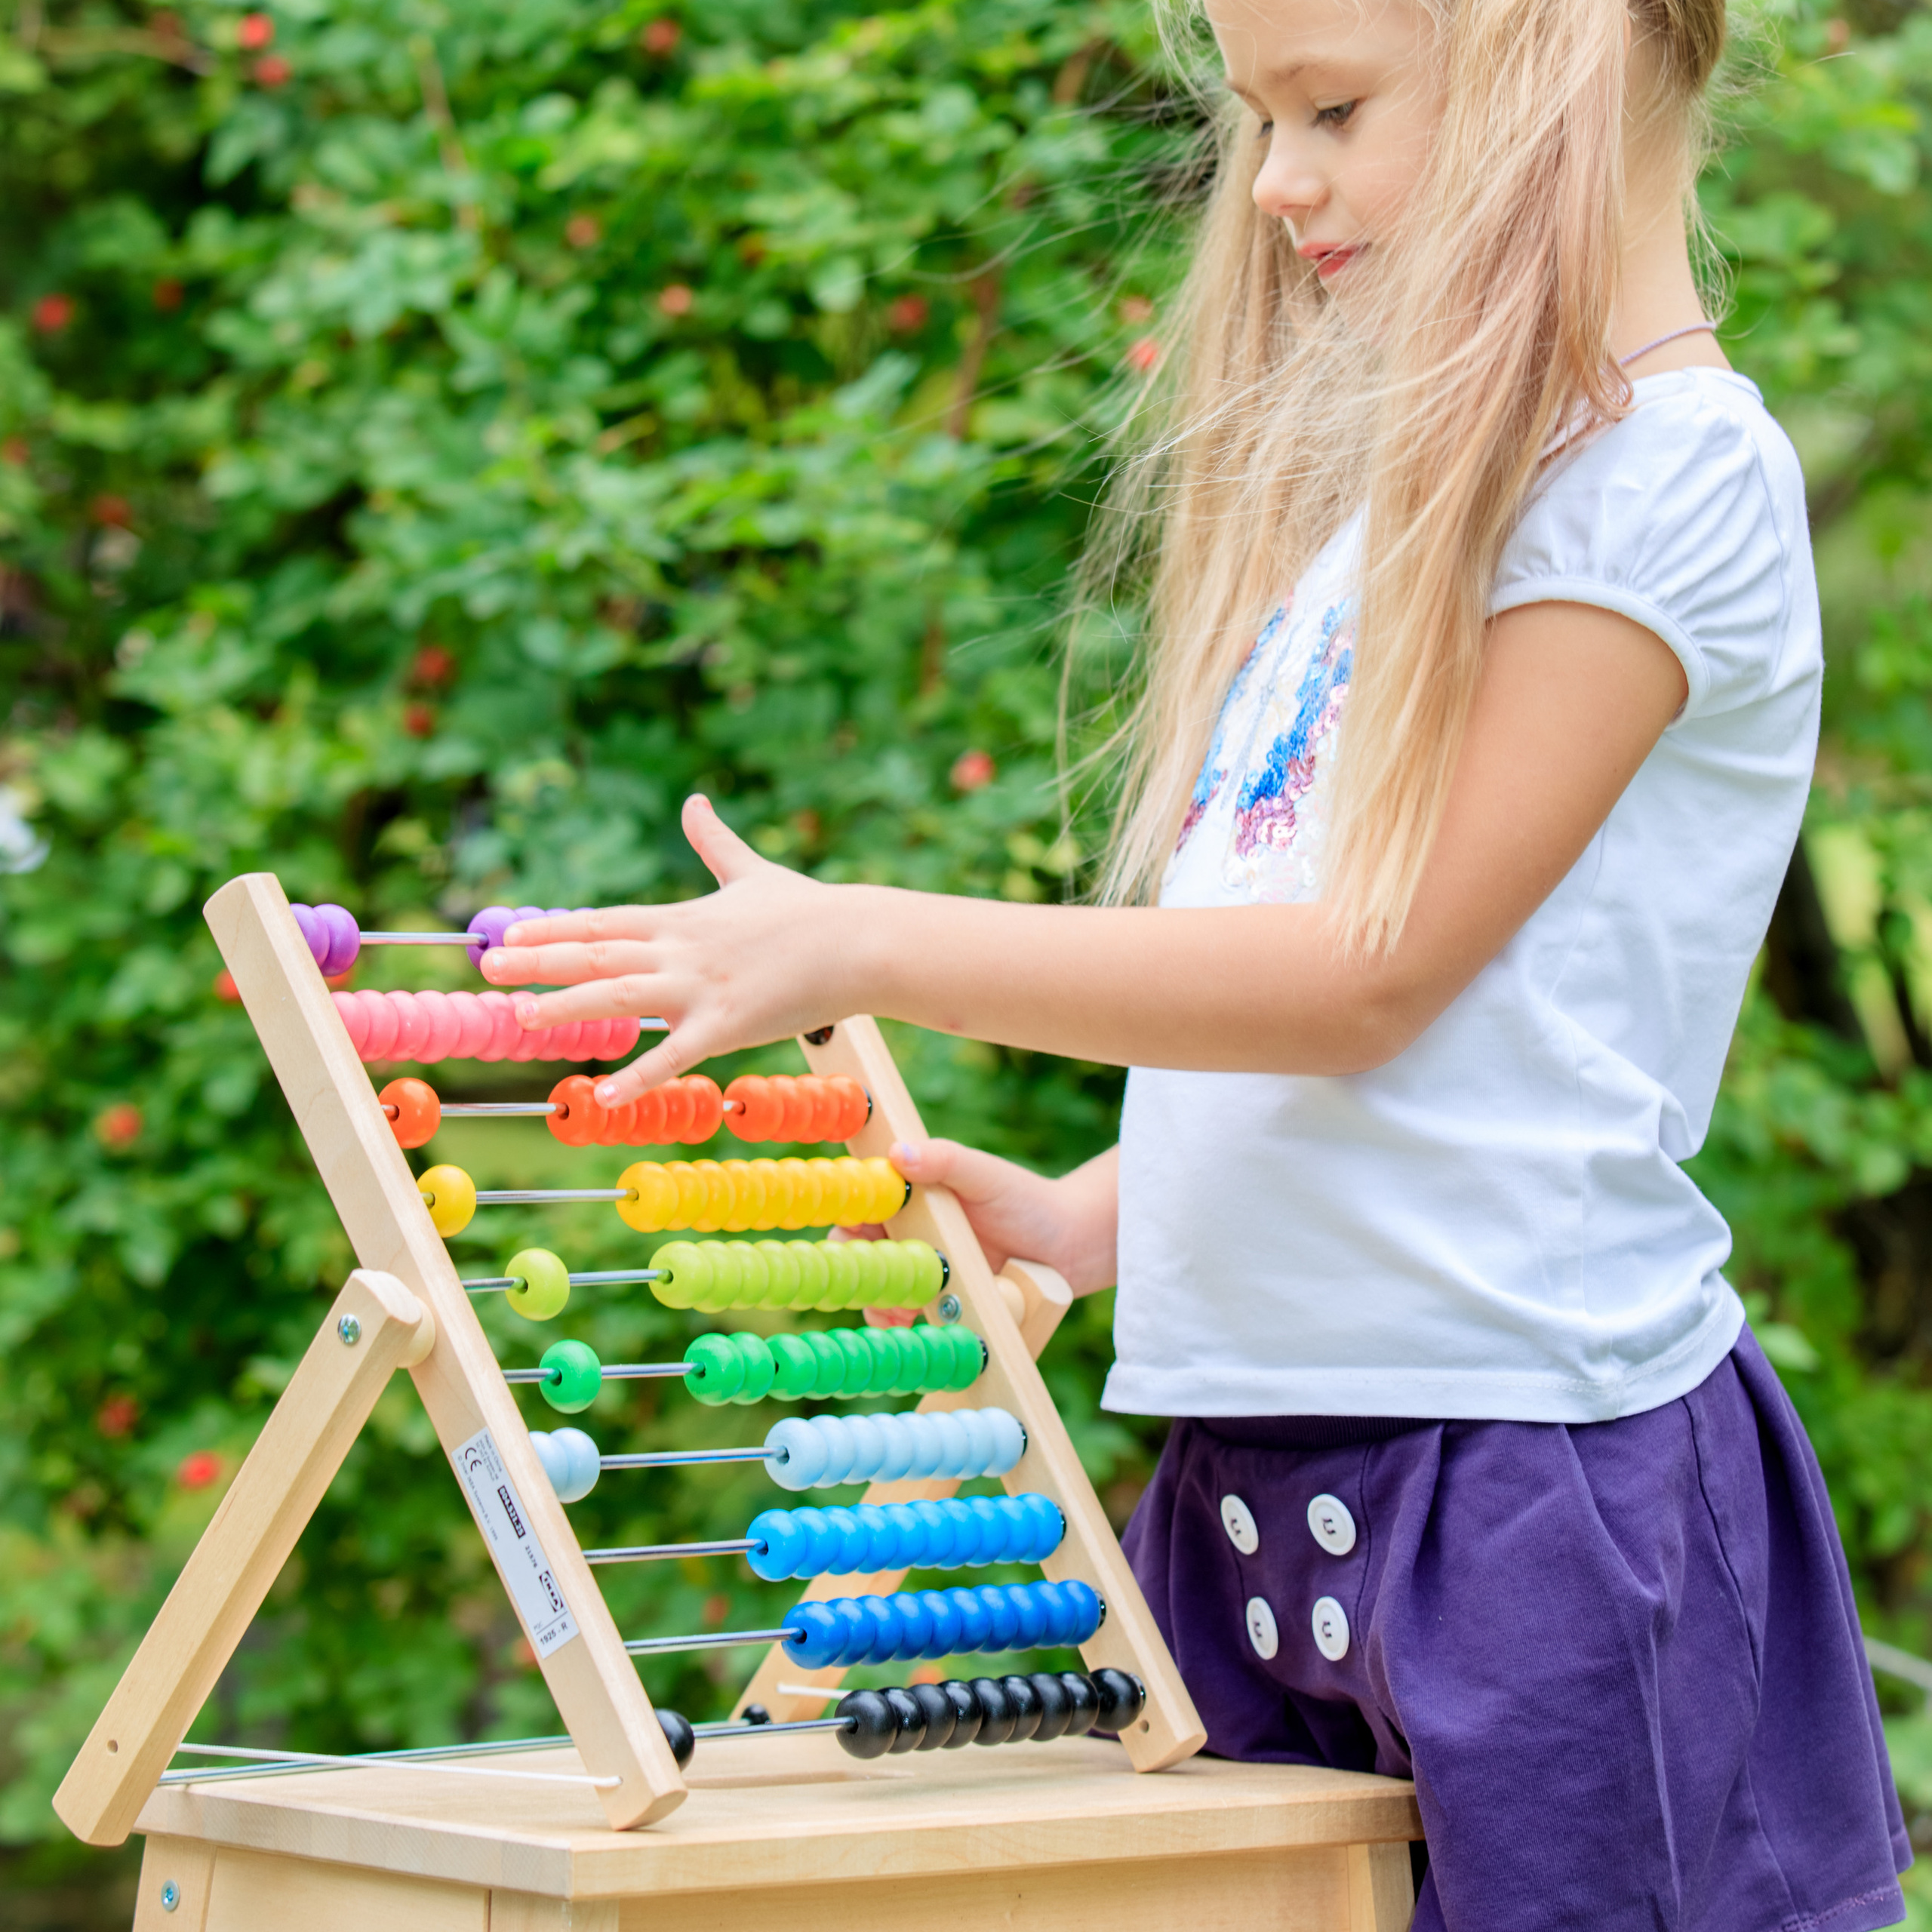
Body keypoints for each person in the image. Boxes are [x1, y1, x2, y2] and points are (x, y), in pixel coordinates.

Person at [481, 0, 1910, 1924]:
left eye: (1327, 107)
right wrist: (1111, 1211)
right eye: (1254, 117)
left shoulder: (1668, 482)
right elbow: (1445, 1050)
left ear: (1547, 63)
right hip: (1240, 1487)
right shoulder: (1387, 517)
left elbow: (1367, 976)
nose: (1275, 181)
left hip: (1530, 1514)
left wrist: (861, 939)